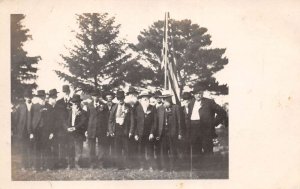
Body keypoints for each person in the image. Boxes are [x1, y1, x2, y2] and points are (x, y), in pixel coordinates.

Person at [188, 85, 228, 161]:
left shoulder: (209, 102)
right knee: (196, 151)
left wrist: (213, 123)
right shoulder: (191, 104)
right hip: (194, 130)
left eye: (200, 93)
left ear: (202, 93)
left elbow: (222, 112)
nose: (198, 95)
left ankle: (209, 168)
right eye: (196, 93)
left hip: (205, 130)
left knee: (208, 150)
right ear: (193, 94)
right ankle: (198, 169)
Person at [155, 91, 182, 171]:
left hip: (173, 133)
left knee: (173, 151)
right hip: (163, 133)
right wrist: (157, 133)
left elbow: (180, 121)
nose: (166, 100)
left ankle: (174, 167)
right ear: (162, 99)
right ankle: (165, 167)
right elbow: (157, 122)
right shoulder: (160, 108)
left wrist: (180, 133)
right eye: (164, 99)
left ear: (170, 98)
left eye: (168, 98)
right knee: (163, 151)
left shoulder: (176, 107)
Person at [131, 90, 156, 171]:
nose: (146, 100)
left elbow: (154, 122)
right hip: (140, 133)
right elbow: (135, 123)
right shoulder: (137, 109)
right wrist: (135, 134)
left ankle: (150, 166)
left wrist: (152, 133)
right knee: (140, 150)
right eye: (144, 99)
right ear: (140, 100)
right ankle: (142, 165)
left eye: (147, 98)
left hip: (149, 133)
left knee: (150, 150)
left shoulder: (152, 108)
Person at [108, 90, 132, 170]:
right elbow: (110, 120)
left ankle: (127, 166)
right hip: (117, 130)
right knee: (117, 149)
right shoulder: (114, 107)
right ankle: (118, 166)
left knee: (126, 149)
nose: (120, 100)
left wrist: (131, 131)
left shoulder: (128, 107)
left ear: (124, 98)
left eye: (122, 98)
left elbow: (132, 120)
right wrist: (111, 131)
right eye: (119, 98)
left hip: (125, 130)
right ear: (117, 99)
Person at [86, 89, 109, 168]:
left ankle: (101, 163)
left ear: (99, 96)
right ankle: (92, 163)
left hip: (101, 128)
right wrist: (86, 129)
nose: (95, 97)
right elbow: (87, 118)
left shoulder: (104, 105)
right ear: (92, 97)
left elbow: (106, 117)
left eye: (96, 96)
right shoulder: (89, 105)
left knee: (101, 146)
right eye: (93, 96)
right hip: (91, 128)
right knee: (91, 146)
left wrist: (107, 129)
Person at [64, 94, 88, 169]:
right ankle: (69, 164)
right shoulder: (68, 111)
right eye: (74, 102)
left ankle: (77, 164)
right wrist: (67, 128)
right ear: (72, 103)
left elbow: (83, 122)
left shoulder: (83, 112)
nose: (75, 104)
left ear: (79, 103)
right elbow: (63, 121)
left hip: (78, 133)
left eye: (77, 102)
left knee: (78, 149)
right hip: (69, 133)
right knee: (69, 148)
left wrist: (75, 128)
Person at [13, 90, 34, 171]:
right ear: (25, 98)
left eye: (30, 96)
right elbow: (16, 119)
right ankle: (23, 165)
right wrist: (17, 130)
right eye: (27, 97)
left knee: (31, 147)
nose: (29, 98)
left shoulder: (34, 106)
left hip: (32, 131)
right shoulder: (21, 107)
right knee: (23, 148)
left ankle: (31, 164)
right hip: (23, 131)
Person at [31, 90, 50, 171]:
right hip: (37, 130)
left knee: (45, 148)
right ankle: (37, 167)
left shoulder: (48, 106)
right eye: (40, 97)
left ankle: (45, 166)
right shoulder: (34, 106)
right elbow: (31, 118)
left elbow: (50, 119)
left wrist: (50, 131)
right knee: (37, 148)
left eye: (43, 96)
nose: (42, 98)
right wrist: (31, 131)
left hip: (45, 130)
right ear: (38, 98)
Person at [55, 85, 72, 168]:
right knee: (62, 146)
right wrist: (65, 127)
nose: (66, 93)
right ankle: (62, 163)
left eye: (67, 91)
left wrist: (71, 127)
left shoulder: (74, 101)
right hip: (62, 128)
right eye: (64, 92)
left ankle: (71, 163)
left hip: (72, 128)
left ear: (69, 91)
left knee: (71, 145)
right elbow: (59, 117)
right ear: (63, 92)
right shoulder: (59, 102)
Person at [45, 89, 61, 170]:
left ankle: (55, 165)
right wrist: (50, 132)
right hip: (48, 132)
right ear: (50, 98)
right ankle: (49, 166)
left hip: (57, 131)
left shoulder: (57, 107)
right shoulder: (46, 107)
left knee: (56, 148)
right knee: (48, 148)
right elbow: (47, 121)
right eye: (54, 97)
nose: (55, 99)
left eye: (55, 97)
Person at [103, 90, 116, 167]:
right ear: (105, 99)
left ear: (112, 98)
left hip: (114, 129)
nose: (109, 99)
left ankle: (114, 163)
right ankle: (106, 163)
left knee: (114, 147)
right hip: (105, 129)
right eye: (107, 98)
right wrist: (106, 130)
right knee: (106, 147)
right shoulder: (102, 106)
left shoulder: (116, 105)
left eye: (110, 97)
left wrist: (112, 130)